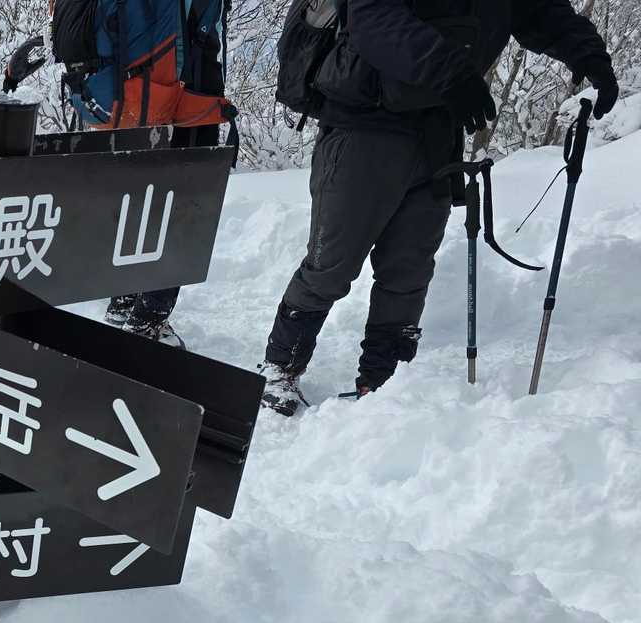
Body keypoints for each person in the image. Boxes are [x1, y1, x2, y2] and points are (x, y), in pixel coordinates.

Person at [260, 0, 618, 415]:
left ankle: (383, 383)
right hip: (364, 123)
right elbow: (372, 17)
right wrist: (450, 73)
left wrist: (590, 57)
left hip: (438, 133)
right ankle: (280, 367)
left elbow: (542, 13)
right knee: (332, 264)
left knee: (409, 269)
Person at [105, 0, 230, 347]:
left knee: (141, 196)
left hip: (139, 91)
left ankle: (123, 302)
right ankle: (148, 318)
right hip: (190, 93)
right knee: (185, 205)